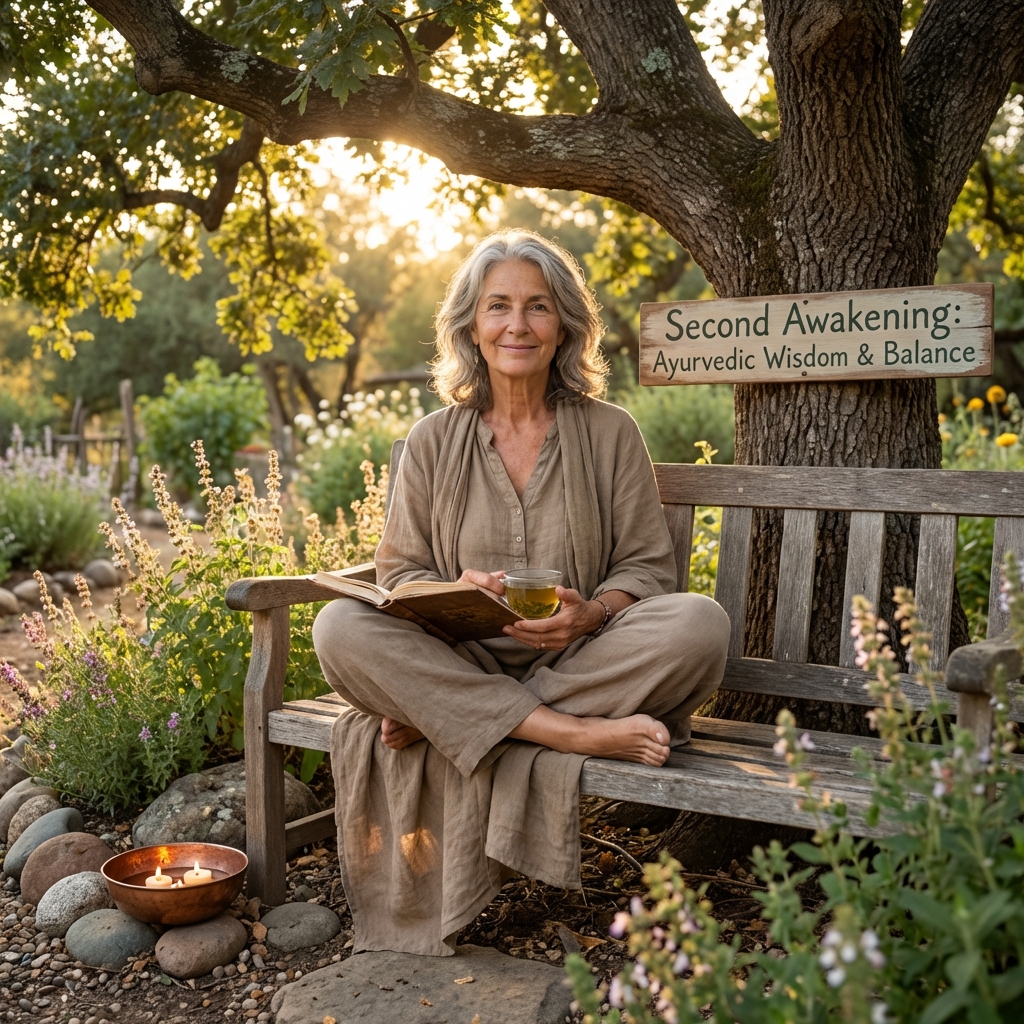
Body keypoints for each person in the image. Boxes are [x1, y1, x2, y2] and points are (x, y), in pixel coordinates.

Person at [313, 229, 731, 956]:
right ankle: (559, 731)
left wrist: (591, 614)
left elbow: (646, 570)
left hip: (581, 663)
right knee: (336, 629)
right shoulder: (432, 440)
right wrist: (453, 589)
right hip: (463, 659)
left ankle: (452, 719)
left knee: (700, 624)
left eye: (537, 306)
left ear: (564, 325)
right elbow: (399, 574)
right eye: (498, 306)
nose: (518, 325)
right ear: (471, 326)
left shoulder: (611, 432)